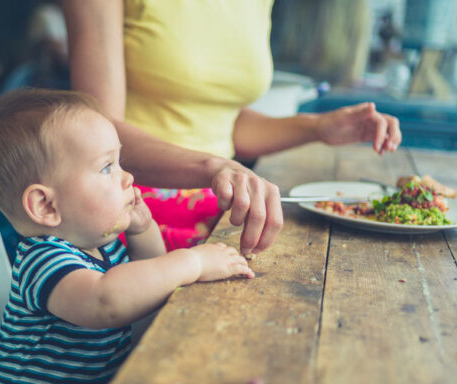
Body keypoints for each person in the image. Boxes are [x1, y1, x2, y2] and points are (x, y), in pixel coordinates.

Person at [62, 0, 403, 254]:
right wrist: (215, 166)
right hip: (133, 214)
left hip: (222, 210)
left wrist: (318, 127)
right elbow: (97, 135)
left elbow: (224, 123)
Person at [0, 88, 255, 383]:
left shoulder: (101, 243)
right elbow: (106, 301)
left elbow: (151, 284)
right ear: (46, 205)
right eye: (107, 167)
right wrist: (193, 261)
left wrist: (142, 231)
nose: (128, 177)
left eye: (119, 162)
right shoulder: (42, 260)